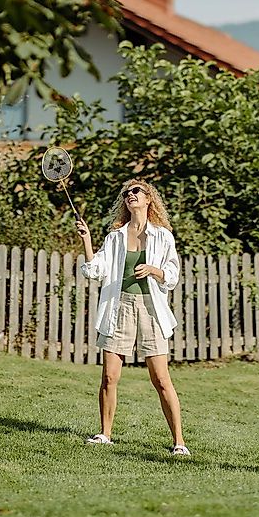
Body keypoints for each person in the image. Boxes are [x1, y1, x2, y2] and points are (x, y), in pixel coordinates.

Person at [77, 180, 190, 456]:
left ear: (149, 198)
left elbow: (172, 276)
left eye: (136, 191)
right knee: (109, 376)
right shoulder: (115, 237)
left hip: (151, 308)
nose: (130, 195)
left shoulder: (163, 236)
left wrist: (153, 270)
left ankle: (179, 443)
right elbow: (94, 270)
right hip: (120, 307)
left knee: (161, 379)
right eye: (127, 193)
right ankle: (105, 435)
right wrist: (87, 240)